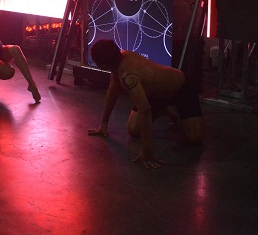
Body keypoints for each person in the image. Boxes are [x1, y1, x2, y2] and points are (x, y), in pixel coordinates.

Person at [87, 40, 203, 169]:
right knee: (134, 130)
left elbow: (145, 109)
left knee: (195, 138)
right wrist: (103, 124)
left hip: (180, 89)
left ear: (103, 65)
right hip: (156, 94)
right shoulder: (119, 61)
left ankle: (166, 108)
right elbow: (113, 90)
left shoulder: (128, 75)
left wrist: (147, 152)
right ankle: (162, 108)